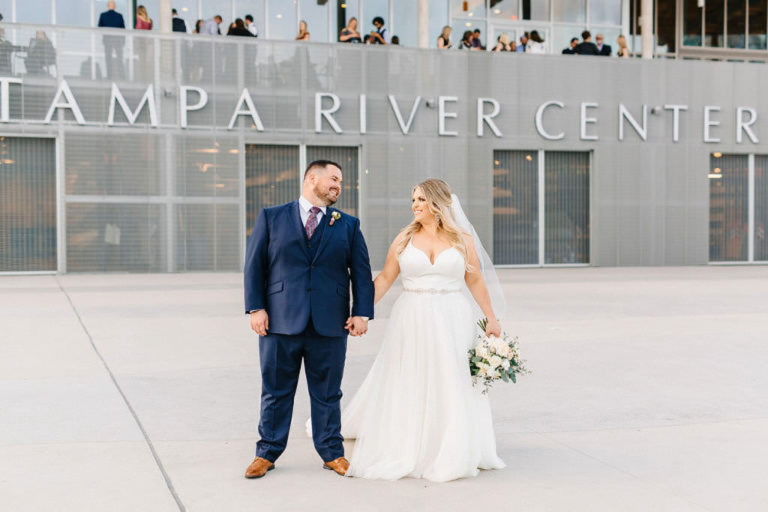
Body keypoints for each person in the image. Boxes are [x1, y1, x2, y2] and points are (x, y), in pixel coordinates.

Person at [330, 179, 506, 481]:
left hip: (453, 316)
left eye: (421, 200)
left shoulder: (463, 239)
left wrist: (491, 317)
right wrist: (360, 311)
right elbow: (385, 278)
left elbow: (474, 280)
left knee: (452, 378)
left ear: (437, 204)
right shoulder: (404, 239)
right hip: (412, 315)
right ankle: (410, 442)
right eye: (413, 199)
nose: (415, 205)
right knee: (411, 375)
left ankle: (452, 445)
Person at [243, 160, 375, 480]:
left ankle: (332, 452)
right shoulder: (271, 217)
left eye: (340, 182)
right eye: (333, 179)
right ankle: (267, 453)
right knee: (275, 390)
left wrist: (361, 312)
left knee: (328, 392)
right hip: (279, 321)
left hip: (330, 323)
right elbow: (254, 266)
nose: (338, 186)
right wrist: (256, 307)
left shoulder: (348, 225)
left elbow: (361, 272)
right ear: (311, 178)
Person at [97, 1, 126, 80]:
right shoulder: (119, 16)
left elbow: (100, 27)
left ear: (108, 6)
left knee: (108, 58)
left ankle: (109, 76)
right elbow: (123, 30)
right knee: (119, 58)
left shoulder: (103, 15)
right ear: (114, 6)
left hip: (108, 40)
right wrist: (123, 41)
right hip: (118, 40)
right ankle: (122, 76)